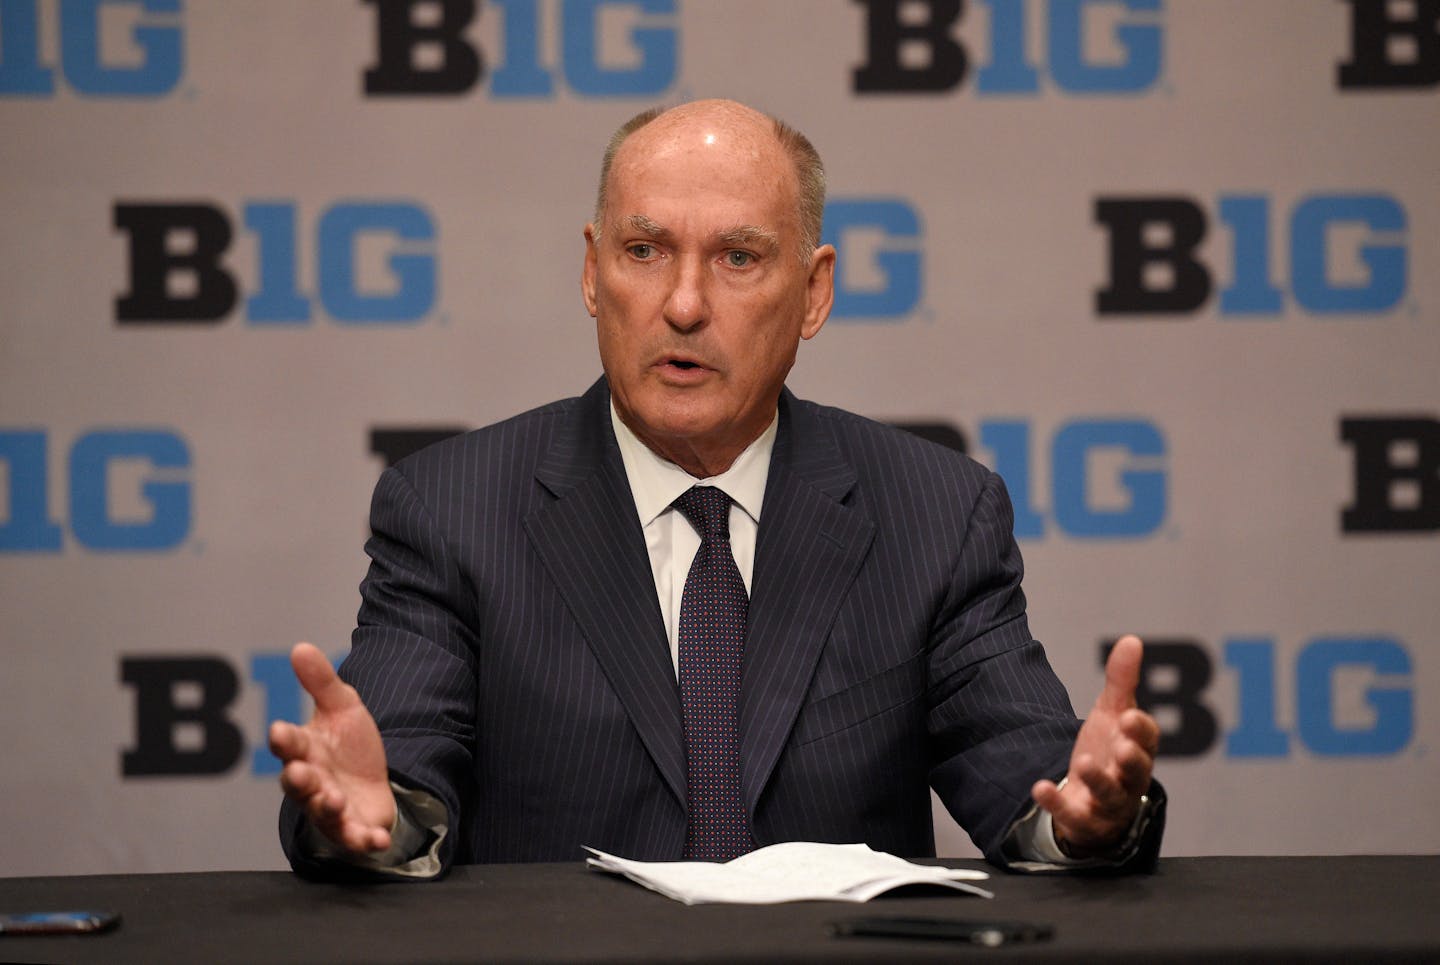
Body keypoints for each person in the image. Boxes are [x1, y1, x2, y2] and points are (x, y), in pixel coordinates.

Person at [271, 99, 1164, 880]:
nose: (685, 303)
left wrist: (1085, 820)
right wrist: (377, 823)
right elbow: (393, 781)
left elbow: (1033, 781)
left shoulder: (934, 514)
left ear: (814, 294)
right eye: (645, 250)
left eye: (737, 257)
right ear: (592, 273)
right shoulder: (452, 511)